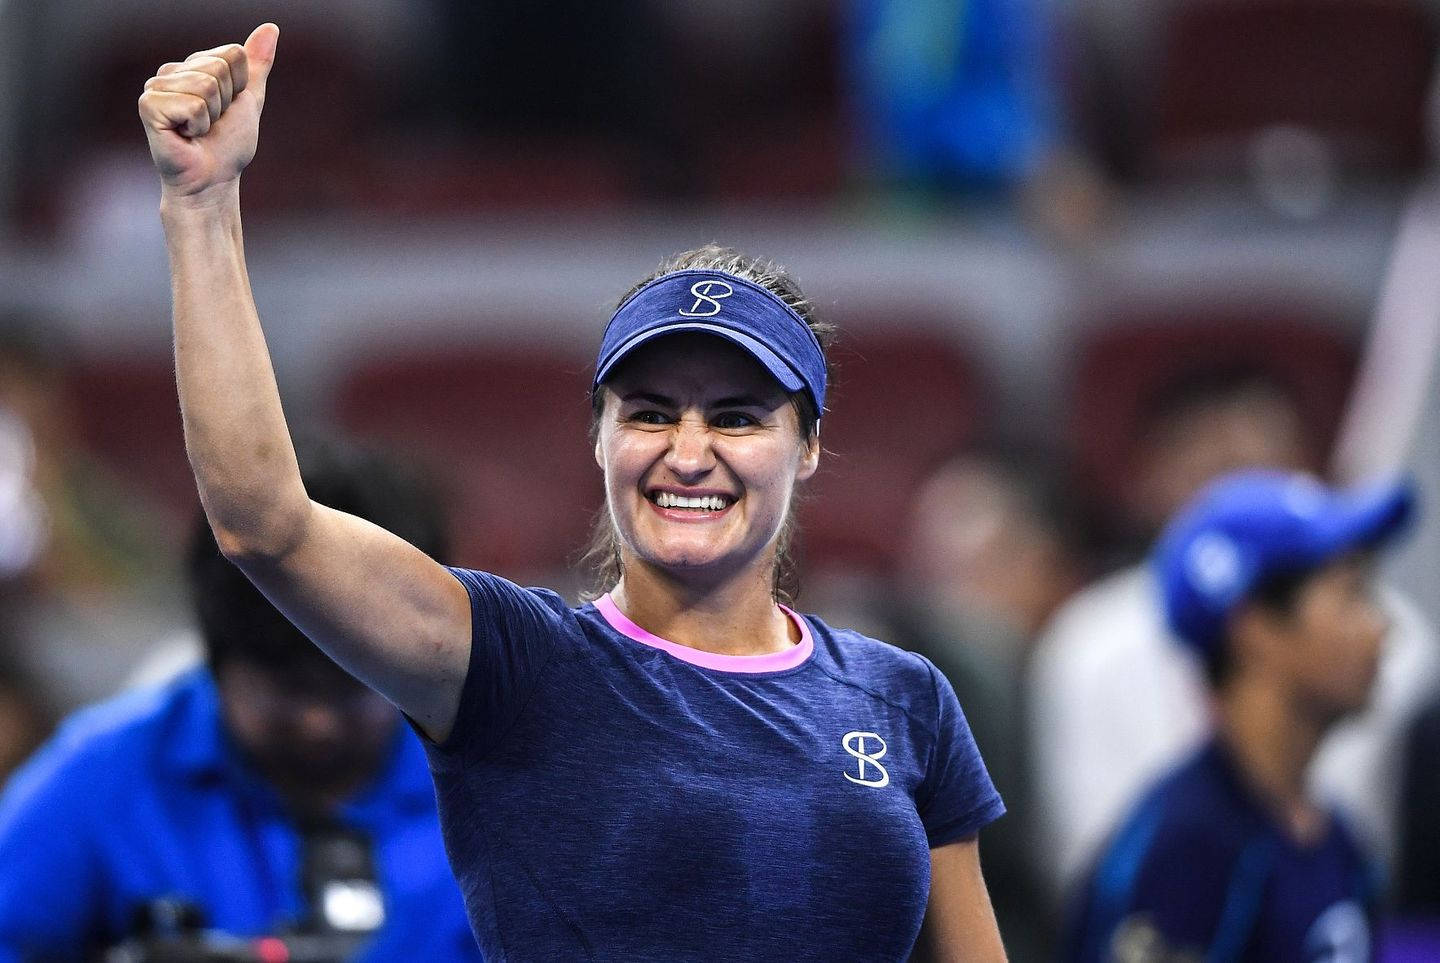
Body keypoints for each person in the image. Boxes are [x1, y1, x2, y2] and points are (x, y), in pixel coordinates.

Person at [135, 24, 1008, 962]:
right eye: (650, 412)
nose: (689, 450)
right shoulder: (520, 668)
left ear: (808, 449)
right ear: (597, 438)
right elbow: (264, 525)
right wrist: (202, 200)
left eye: (740, 416)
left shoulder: (905, 700)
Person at [0, 439, 482, 960]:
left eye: (351, 687)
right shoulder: (98, 775)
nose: (318, 723)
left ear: (420, 658)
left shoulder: (502, 777)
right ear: (215, 660)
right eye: (286, 688)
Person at [1026, 366, 1439, 900]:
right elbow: (1097, 869)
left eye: (1268, 466)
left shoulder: (1330, 832)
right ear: (1255, 627)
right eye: (1215, 470)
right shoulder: (1090, 643)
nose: (1380, 629)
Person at [1064, 469, 1414, 961]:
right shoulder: (1185, 849)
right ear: (1255, 631)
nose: (1384, 628)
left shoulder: (1340, 842)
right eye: (1353, 593)